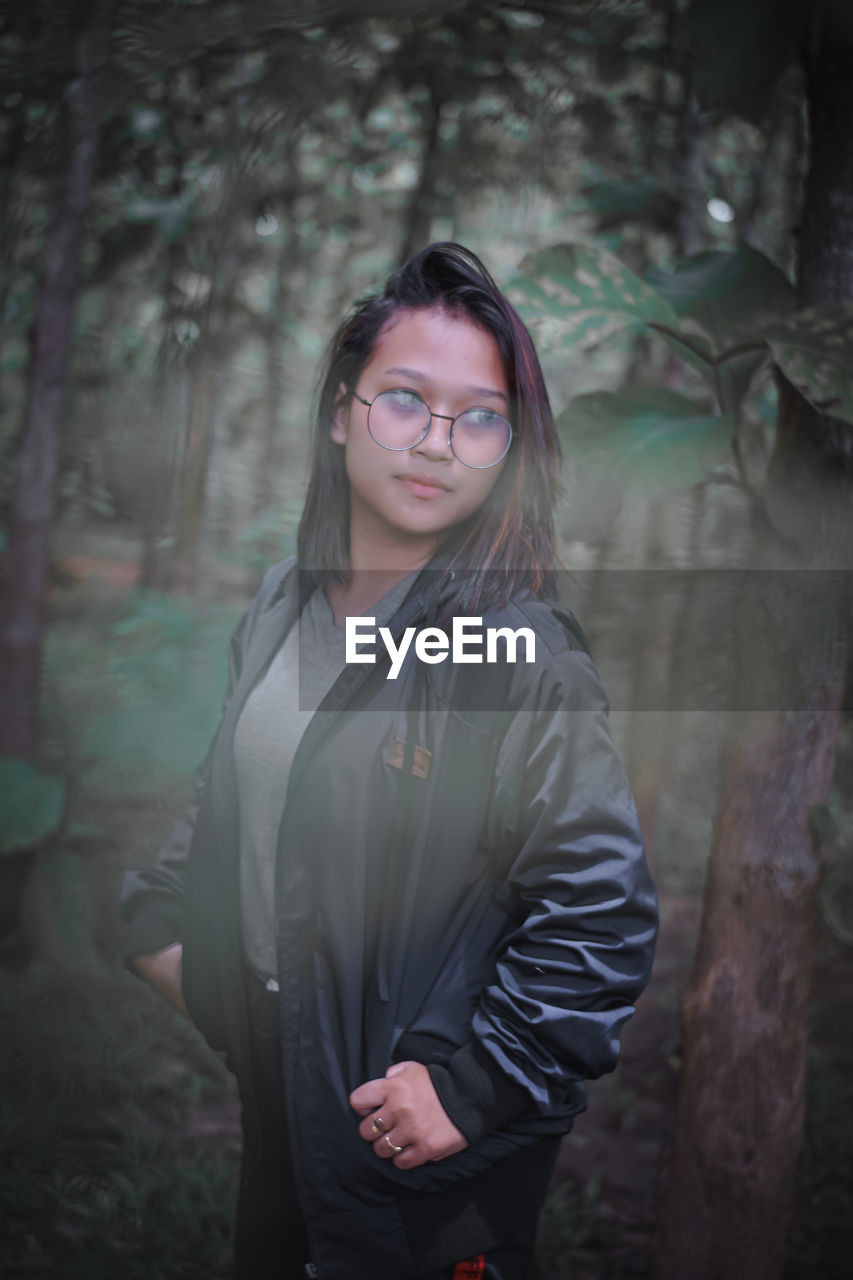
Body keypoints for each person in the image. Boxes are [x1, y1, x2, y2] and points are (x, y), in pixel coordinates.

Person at [120, 242, 658, 1280]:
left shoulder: (518, 649)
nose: (438, 443)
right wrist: (168, 921)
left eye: (480, 417)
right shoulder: (284, 598)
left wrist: (476, 1083)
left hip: (417, 1139)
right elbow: (242, 786)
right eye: (404, 399)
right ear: (338, 411)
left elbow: (601, 907)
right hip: (286, 1084)